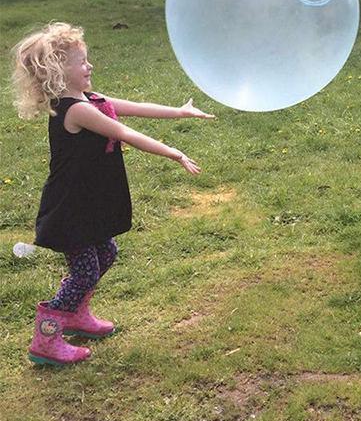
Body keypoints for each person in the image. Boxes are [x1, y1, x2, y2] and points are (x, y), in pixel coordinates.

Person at [11, 22, 214, 365]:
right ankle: (46, 336)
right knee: (85, 270)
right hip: (69, 206)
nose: (89, 67)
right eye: (82, 62)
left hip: (87, 200)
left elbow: (133, 106)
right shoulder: (75, 110)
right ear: (61, 72)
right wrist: (174, 153)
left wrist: (179, 111)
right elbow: (125, 132)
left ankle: (76, 315)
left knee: (106, 252)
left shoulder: (90, 99)